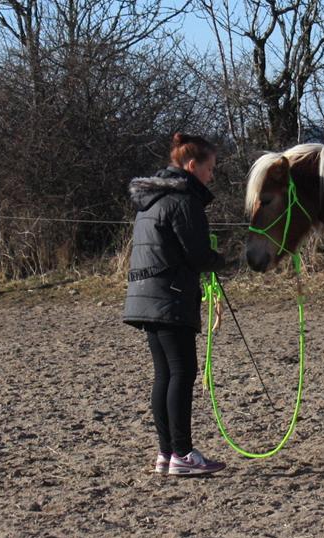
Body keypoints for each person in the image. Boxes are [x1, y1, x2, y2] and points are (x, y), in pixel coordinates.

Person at [123, 132, 227, 476]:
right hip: (171, 296)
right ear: (192, 166)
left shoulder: (151, 200)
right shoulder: (183, 200)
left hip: (146, 295)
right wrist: (223, 260)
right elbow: (196, 254)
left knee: (165, 374)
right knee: (182, 372)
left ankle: (166, 452)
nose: (211, 176)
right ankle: (182, 452)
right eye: (210, 169)